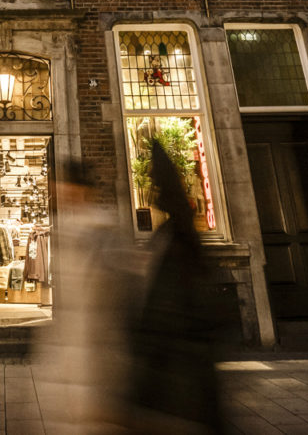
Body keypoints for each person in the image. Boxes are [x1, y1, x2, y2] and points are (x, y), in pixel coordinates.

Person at [126, 138, 223, 435]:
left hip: (176, 383)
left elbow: (168, 313)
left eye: (156, 181)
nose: (152, 188)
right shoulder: (172, 235)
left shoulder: (175, 240)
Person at [32, 158, 132, 433]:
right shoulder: (69, 230)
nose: (55, 195)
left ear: (76, 189)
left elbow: (116, 300)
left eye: (59, 187)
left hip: (99, 356)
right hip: (74, 357)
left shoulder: (102, 233)